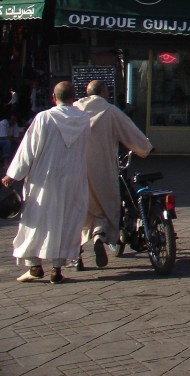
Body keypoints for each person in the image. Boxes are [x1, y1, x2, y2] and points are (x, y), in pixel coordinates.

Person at [2, 82, 91, 284]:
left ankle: (34, 266)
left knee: (36, 220)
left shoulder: (45, 118)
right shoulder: (84, 121)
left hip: (44, 178)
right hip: (73, 178)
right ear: (73, 98)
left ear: (53, 97)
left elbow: (28, 150)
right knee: (66, 221)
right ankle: (57, 269)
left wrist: (12, 175)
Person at [74, 80, 153, 270]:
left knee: (77, 212)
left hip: (75, 171)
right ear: (103, 92)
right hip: (103, 170)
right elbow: (131, 133)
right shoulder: (110, 111)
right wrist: (146, 148)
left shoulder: (74, 111)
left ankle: (76, 254)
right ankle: (99, 237)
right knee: (103, 207)